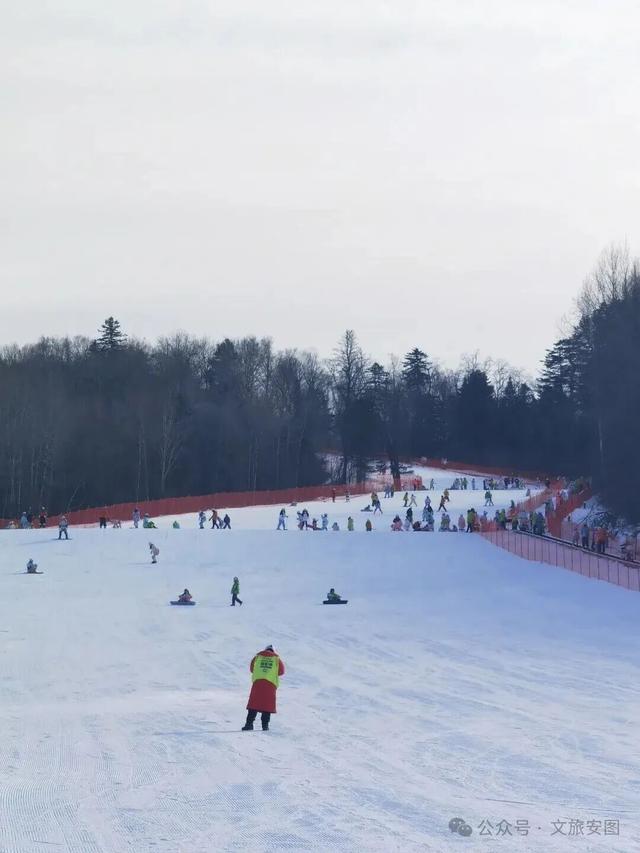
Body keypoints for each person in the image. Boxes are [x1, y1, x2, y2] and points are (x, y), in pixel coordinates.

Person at [242, 644, 285, 731]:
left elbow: (251, 669)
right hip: (270, 685)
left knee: (254, 704)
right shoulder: (276, 659)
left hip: (257, 684)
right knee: (267, 705)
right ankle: (265, 726)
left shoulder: (257, 657)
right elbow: (281, 671)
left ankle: (249, 724)